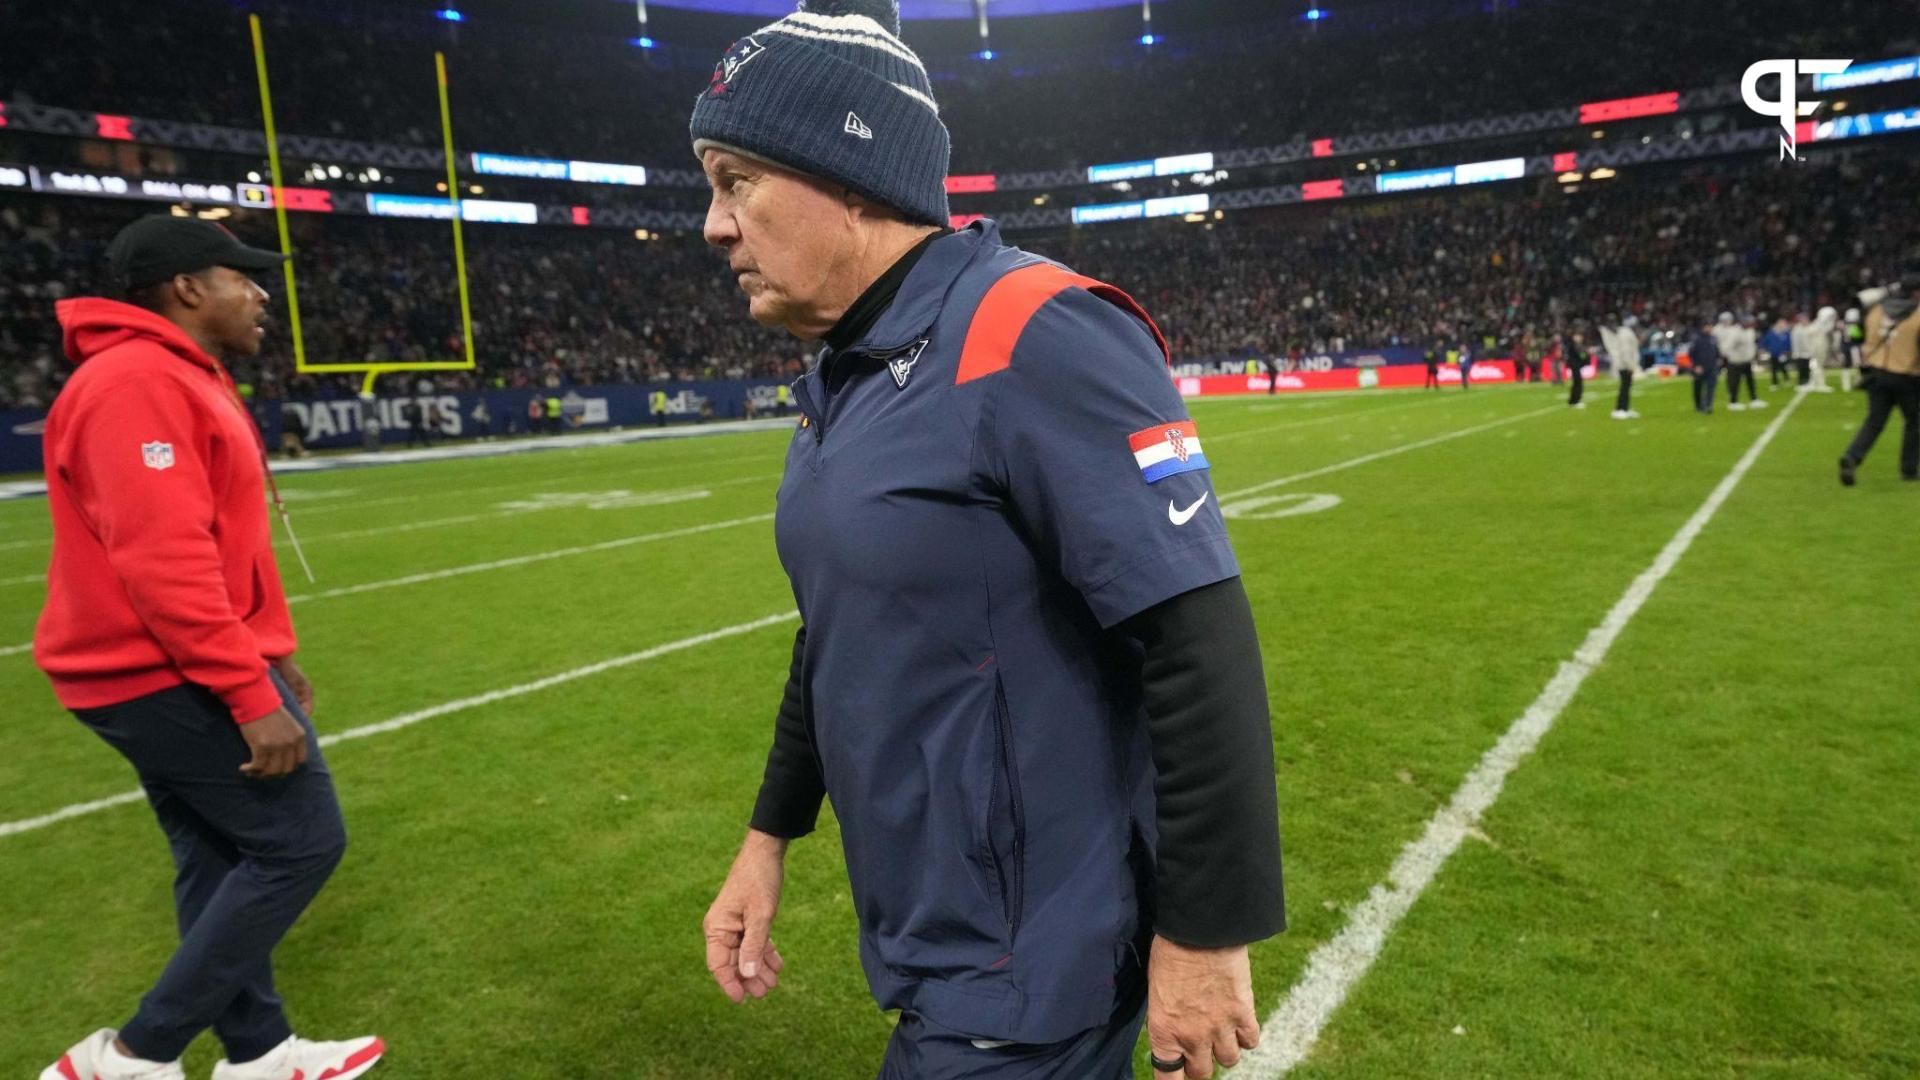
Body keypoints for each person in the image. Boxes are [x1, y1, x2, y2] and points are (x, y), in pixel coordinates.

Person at [688, 4, 1286, 1078]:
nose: (713, 225)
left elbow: (1197, 633)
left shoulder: (1036, 328)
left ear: (849, 171)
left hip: (1031, 964)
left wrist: (1205, 937)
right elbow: (837, 627)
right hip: (935, 934)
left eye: (737, 181)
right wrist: (768, 836)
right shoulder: (843, 376)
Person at [34, 216, 382, 1080]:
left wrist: (273, 649)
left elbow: (219, 545)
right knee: (303, 839)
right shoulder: (134, 382)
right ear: (188, 286)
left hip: (165, 667)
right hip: (155, 673)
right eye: (242, 275)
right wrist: (248, 689)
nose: (262, 292)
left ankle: (256, 1052)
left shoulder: (166, 374)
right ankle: (132, 1057)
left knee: (216, 853)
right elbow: (164, 561)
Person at [1839, 256, 1920, 486]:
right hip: (1908, 377)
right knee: (1914, 422)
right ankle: (1909, 468)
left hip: (1876, 375)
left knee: (1874, 422)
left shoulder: (1876, 311)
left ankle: (1852, 457)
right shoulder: (1918, 315)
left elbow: (1856, 335)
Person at [1600, 314, 1642, 419]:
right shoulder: (1625, 334)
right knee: (1625, 387)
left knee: (1626, 387)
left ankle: (1624, 408)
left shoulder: (1624, 332)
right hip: (1624, 364)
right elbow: (1626, 351)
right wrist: (1630, 365)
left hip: (1624, 363)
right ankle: (1621, 409)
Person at [1689, 317, 1722, 414]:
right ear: (1703, 327)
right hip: (1700, 367)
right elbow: (1691, 353)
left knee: (1711, 387)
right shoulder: (1697, 339)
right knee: (1698, 387)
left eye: (1711, 326)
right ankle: (1698, 406)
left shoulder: (1713, 338)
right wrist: (1696, 365)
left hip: (1712, 366)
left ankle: (1708, 405)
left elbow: (1716, 351)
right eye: (1708, 326)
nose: (1710, 328)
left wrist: (1718, 360)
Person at [1761, 315, 1793, 390]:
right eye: (1781, 323)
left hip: (1782, 354)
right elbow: (1764, 341)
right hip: (1773, 354)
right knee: (1773, 369)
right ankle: (1774, 383)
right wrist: (1762, 348)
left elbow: (1789, 343)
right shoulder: (1771, 332)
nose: (1782, 324)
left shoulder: (1786, 333)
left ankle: (1787, 379)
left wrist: (1786, 352)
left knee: (1783, 368)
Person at [1563, 329, 1588, 409]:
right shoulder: (1575, 345)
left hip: (1575, 366)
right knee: (1578, 383)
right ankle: (1576, 401)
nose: (1579, 338)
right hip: (1575, 366)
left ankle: (1572, 401)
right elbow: (1582, 355)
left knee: (1576, 383)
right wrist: (1585, 354)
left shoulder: (1575, 345)